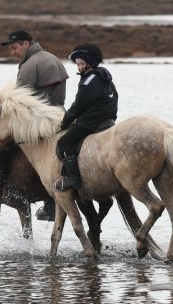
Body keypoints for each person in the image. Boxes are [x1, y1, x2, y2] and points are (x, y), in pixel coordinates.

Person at [0, 29, 68, 222]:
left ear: (26, 44)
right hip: (58, 117)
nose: (12, 52)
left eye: (14, 48)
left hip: (37, 121)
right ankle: (51, 205)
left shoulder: (29, 65)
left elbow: (18, 103)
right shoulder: (53, 58)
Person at [54, 43, 118, 192]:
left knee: (64, 142)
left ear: (91, 62)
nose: (79, 67)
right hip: (107, 120)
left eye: (82, 63)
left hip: (90, 122)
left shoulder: (88, 82)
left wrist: (64, 123)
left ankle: (73, 178)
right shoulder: (105, 77)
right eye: (77, 64)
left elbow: (78, 106)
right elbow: (115, 98)